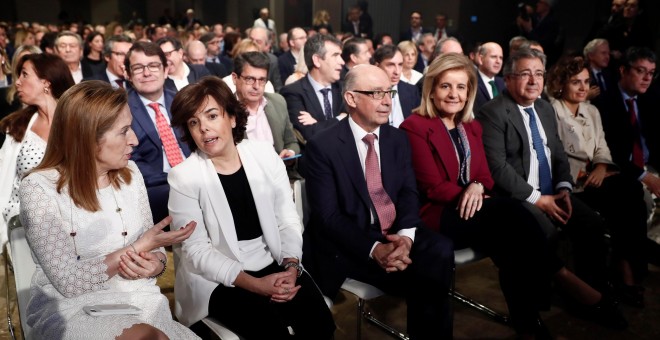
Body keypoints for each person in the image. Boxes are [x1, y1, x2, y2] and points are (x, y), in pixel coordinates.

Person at [18, 80, 198, 339]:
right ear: (88, 138)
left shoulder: (131, 174)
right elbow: (68, 283)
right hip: (74, 309)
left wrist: (156, 264)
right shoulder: (38, 188)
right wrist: (136, 249)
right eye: (123, 131)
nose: (134, 140)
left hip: (142, 301)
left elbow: (153, 248)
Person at [167, 76, 335, 338]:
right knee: (271, 332)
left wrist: (291, 267)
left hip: (274, 260)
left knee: (320, 323)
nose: (204, 129)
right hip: (218, 278)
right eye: (193, 122)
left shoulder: (264, 154)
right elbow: (196, 252)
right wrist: (256, 285)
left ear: (232, 118)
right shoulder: (184, 177)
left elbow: (287, 219)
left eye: (212, 116)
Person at [477, 49, 627, 329]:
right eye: (525, 73)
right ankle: (538, 309)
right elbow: (497, 169)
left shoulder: (544, 108)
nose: (533, 80)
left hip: (553, 191)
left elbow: (557, 153)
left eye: (538, 74)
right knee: (542, 234)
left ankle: (590, 295)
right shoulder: (493, 113)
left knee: (591, 224)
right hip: (519, 197)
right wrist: (539, 199)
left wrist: (564, 188)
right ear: (508, 79)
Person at [302, 64, 454, 339]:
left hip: (395, 233)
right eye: (376, 93)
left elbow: (409, 192)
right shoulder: (322, 147)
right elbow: (329, 218)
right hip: (351, 242)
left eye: (389, 92)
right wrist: (375, 249)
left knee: (440, 250)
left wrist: (406, 238)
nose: (387, 101)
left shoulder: (397, 139)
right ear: (351, 98)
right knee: (426, 275)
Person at [547, 55, 648, 307]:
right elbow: (554, 155)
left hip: (596, 178)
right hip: (571, 184)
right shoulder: (550, 110)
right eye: (575, 82)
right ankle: (619, 277)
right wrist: (585, 173)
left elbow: (602, 147)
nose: (583, 88)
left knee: (633, 192)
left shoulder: (592, 110)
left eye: (586, 81)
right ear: (561, 84)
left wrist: (602, 166)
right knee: (625, 198)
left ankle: (626, 270)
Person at [0, 53, 74, 252]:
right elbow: (4, 180)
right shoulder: (17, 126)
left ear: (46, 82)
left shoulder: (78, 123)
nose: (18, 82)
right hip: (22, 222)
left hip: (73, 220)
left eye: (25, 75)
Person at [124, 41, 191, 223]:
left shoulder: (181, 101)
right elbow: (129, 162)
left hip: (194, 175)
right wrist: (177, 178)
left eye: (153, 66)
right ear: (128, 74)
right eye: (138, 68)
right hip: (155, 186)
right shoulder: (121, 109)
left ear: (166, 69)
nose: (147, 73)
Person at [231, 51, 300, 177]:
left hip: (281, 175)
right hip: (246, 179)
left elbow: (291, 142)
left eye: (262, 80)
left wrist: (290, 153)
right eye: (250, 79)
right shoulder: (225, 111)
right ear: (235, 78)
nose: (256, 86)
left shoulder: (278, 102)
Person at [280, 34, 346, 141]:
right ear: (317, 60)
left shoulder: (345, 88)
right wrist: (340, 118)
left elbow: (356, 126)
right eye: (335, 55)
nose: (342, 61)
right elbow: (309, 134)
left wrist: (318, 124)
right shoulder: (293, 92)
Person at [373, 44, 420, 127]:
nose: (397, 72)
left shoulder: (412, 91)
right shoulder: (368, 93)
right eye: (390, 65)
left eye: (400, 64)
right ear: (377, 66)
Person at [474, 42, 505, 112]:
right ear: (480, 59)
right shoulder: (471, 82)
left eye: (501, 58)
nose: (498, 61)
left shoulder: (503, 83)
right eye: (493, 57)